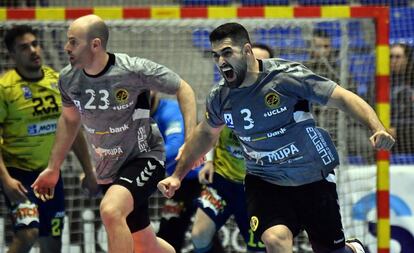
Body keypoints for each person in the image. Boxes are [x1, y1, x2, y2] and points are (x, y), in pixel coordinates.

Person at [158, 22, 395, 253]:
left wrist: (376, 127)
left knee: (329, 249)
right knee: (274, 238)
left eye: (227, 53)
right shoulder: (221, 97)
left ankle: (352, 249)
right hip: (264, 180)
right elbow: (205, 134)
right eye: (216, 55)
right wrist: (178, 176)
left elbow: (342, 97)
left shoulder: (286, 77)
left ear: (247, 51)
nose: (221, 61)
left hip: (311, 176)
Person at [31, 14, 197, 253]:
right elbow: (69, 121)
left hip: (144, 157)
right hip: (109, 168)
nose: (67, 47)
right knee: (144, 244)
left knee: (111, 210)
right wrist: (53, 167)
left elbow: (184, 88)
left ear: (95, 44)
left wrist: (190, 139)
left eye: (73, 42)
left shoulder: (132, 70)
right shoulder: (68, 78)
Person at [0, 25, 96, 253]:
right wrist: (5, 179)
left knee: (52, 245)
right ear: (12, 55)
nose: (33, 50)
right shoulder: (5, 88)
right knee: (27, 234)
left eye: (35, 44)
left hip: (51, 177)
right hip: (18, 175)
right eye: (24, 47)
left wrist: (90, 172)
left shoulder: (58, 81)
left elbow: (73, 131)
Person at [190, 44, 272, 253]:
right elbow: (210, 130)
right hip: (223, 181)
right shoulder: (224, 93)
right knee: (199, 235)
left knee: (259, 248)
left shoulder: (274, 102)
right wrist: (208, 161)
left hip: (257, 187)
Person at [151, 91, 203, 252]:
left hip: (198, 180)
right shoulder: (137, 116)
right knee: (200, 236)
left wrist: (143, 163)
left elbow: (175, 148)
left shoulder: (170, 111)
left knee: (173, 234)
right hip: (180, 181)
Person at [389, 43, 414, 154]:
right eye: (391, 57)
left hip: (408, 131)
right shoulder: (379, 82)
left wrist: (398, 131)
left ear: (407, 59)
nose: (393, 60)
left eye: (398, 57)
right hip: (383, 129)